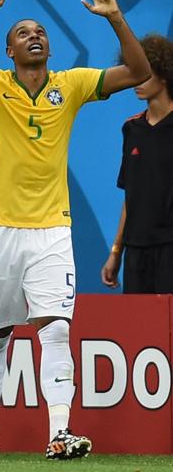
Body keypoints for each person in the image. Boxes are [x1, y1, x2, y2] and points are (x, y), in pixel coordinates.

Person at [0, 0, 150, 459]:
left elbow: (138, 71)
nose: (35, 36)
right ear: (9, 51)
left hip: (52, 227)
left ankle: (58, 433)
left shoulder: (70, 85)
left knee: (56, 328)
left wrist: (114, 16)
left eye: (41, 32)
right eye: (24, 32)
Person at [103, 35, 173, 292]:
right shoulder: (131, 128)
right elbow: (130, 196)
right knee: (140, 328)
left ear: (164, 75)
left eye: (145, 72)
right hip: (135, 250)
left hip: (170, 246)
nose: (136, 80)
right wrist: (116, 251)